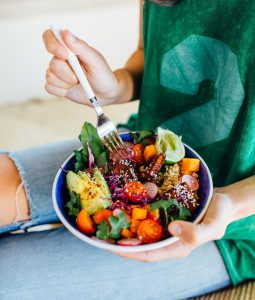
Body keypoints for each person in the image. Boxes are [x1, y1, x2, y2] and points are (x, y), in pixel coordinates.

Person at [0, 0, 255, 299]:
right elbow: (149, 54)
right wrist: (114, 86)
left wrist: (231, 203)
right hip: (143, 142)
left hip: (237, 227)